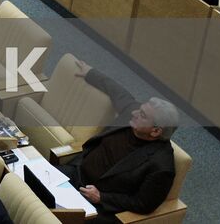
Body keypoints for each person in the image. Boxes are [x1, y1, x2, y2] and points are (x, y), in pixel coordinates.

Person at [58, 61, 180, 223]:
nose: (135, 113)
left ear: (156, 131)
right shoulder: (132, 113)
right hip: (77, 172)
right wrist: (90, 73)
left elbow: (143, 203)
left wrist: (102, 197)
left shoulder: (161, 166)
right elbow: (118, 91)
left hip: (97, 204)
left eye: (142, 115)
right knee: (30, 183)